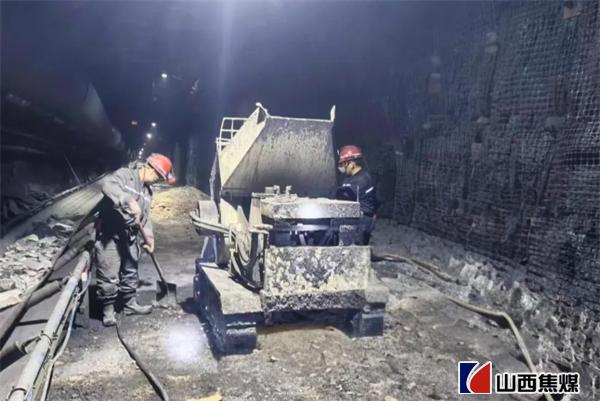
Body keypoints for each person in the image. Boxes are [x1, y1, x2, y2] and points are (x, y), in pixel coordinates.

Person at [94, 153, 175, 326]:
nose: (158, 180)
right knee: (109, 271)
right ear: (149, 169)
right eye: (158, 177)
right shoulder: (125, 175)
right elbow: (107, 185)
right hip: (110, 232)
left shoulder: (147, 192)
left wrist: (150, 238)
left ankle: (130, 304)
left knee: (130, 270)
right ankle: (108, 310)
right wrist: (128, 200)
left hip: (129, 234)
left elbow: (145, 218)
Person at [337, 145, 379, 244]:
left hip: (361, 220)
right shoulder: (349, 179)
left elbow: (346, 198)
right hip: (354, 217)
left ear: (352, 163)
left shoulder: (362, 179)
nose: (341, 167)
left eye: (344, 164)